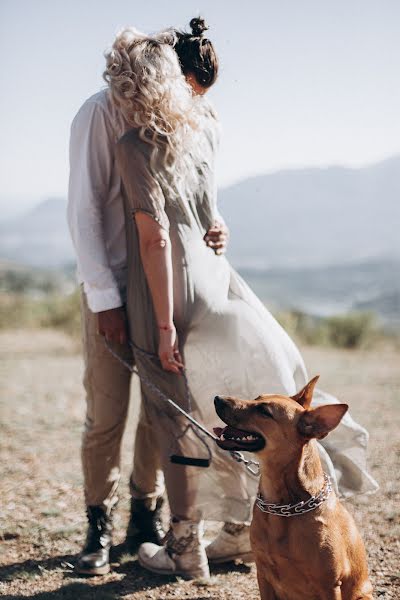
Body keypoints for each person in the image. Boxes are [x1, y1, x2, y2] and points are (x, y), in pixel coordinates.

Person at [109, 22, 378, 580]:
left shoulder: (135, 144)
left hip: (169, 286)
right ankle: (237, 529)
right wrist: (217, 227)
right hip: (217, 278)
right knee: (230, 405)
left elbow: (155, 237)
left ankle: (186, 546)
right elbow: (213, 214)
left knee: (174, 415)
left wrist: (161, 325)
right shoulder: (204, 128)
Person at [67, 20, 227, 576]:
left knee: (160, 409)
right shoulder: (99, 113)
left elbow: (196, 193)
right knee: (107, 415)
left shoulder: (182, 118)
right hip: (110, 283)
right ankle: (96, 523)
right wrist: (104, 297)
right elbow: (85, 209)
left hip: (163, 289)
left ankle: (144, 514)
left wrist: (216, 223)